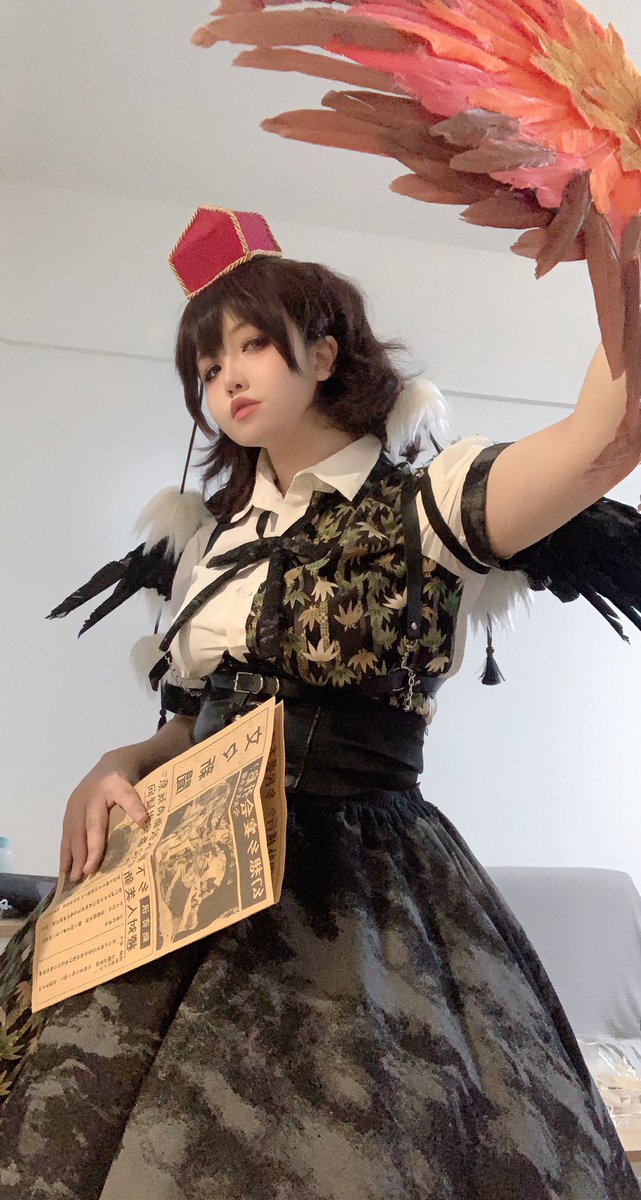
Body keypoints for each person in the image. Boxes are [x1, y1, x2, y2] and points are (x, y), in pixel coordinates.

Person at [1, 205, 639, 1199]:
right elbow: (190, 720)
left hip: (356, 883)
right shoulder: (208, 545)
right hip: (182, 859)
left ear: (325, 352)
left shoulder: (427, 506)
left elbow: (601, 437)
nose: (228, 378)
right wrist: (116, 764)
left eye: (252, 344)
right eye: (208, 364)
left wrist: (621, 221)